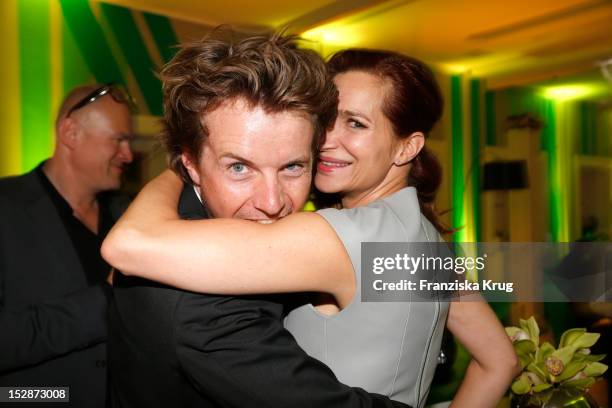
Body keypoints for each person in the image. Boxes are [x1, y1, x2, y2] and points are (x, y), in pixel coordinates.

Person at [104, 48, 521, 407]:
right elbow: (499, 359)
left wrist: (181, 166)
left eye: (355, 124)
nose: (327, 141)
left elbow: (131, 244)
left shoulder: (335, 235)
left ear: (407, 147)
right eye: (327, 121)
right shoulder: (423, 241)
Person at [0, 84, 134, 407]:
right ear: (70, 133)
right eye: (118, 140)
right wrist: (105, 299)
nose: (128, 155)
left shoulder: (128, 216)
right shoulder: (6, 208)